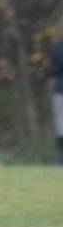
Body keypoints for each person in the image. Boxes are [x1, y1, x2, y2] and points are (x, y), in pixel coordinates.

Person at [50, 34, 63, 163]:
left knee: (61, 123)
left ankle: (61, 156)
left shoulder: (57, 47)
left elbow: (53, 70)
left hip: (60, 88)